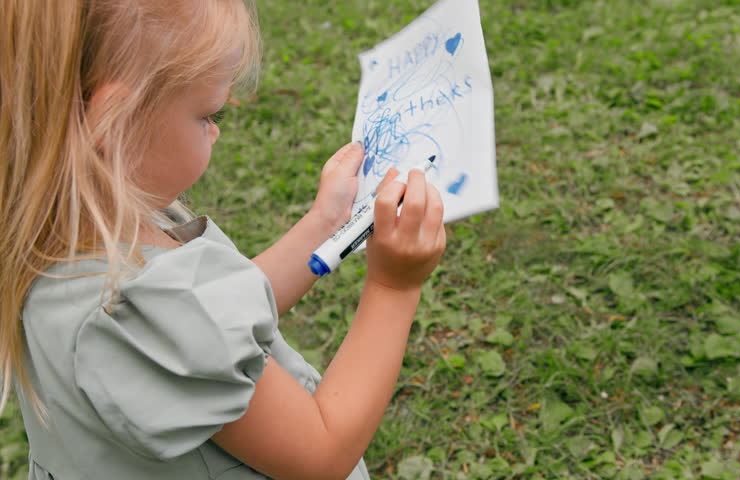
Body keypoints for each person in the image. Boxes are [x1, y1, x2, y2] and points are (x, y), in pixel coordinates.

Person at [0, 1, 446, 479]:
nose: (215, 129)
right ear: (116, 121)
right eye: (207, 114)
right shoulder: (130, 301)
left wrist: (325, 221)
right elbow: (322, 451)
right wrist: (393, 287)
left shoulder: (59, 233)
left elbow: (213, 316)